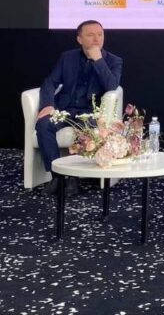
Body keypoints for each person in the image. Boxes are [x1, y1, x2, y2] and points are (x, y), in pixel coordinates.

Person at [35, 20, 123, 196]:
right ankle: (57, 176)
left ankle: (74, 178)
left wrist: (98, 60)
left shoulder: (113, 61)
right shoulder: (68, 57)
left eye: (100, 35)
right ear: (79, 39)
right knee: (43, 124)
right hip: (64, 109)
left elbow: (112, 85)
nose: (96, 39)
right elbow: (49, 83)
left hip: (90, 113)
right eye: (90, 35)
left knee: (86, 129)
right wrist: (48, 105)